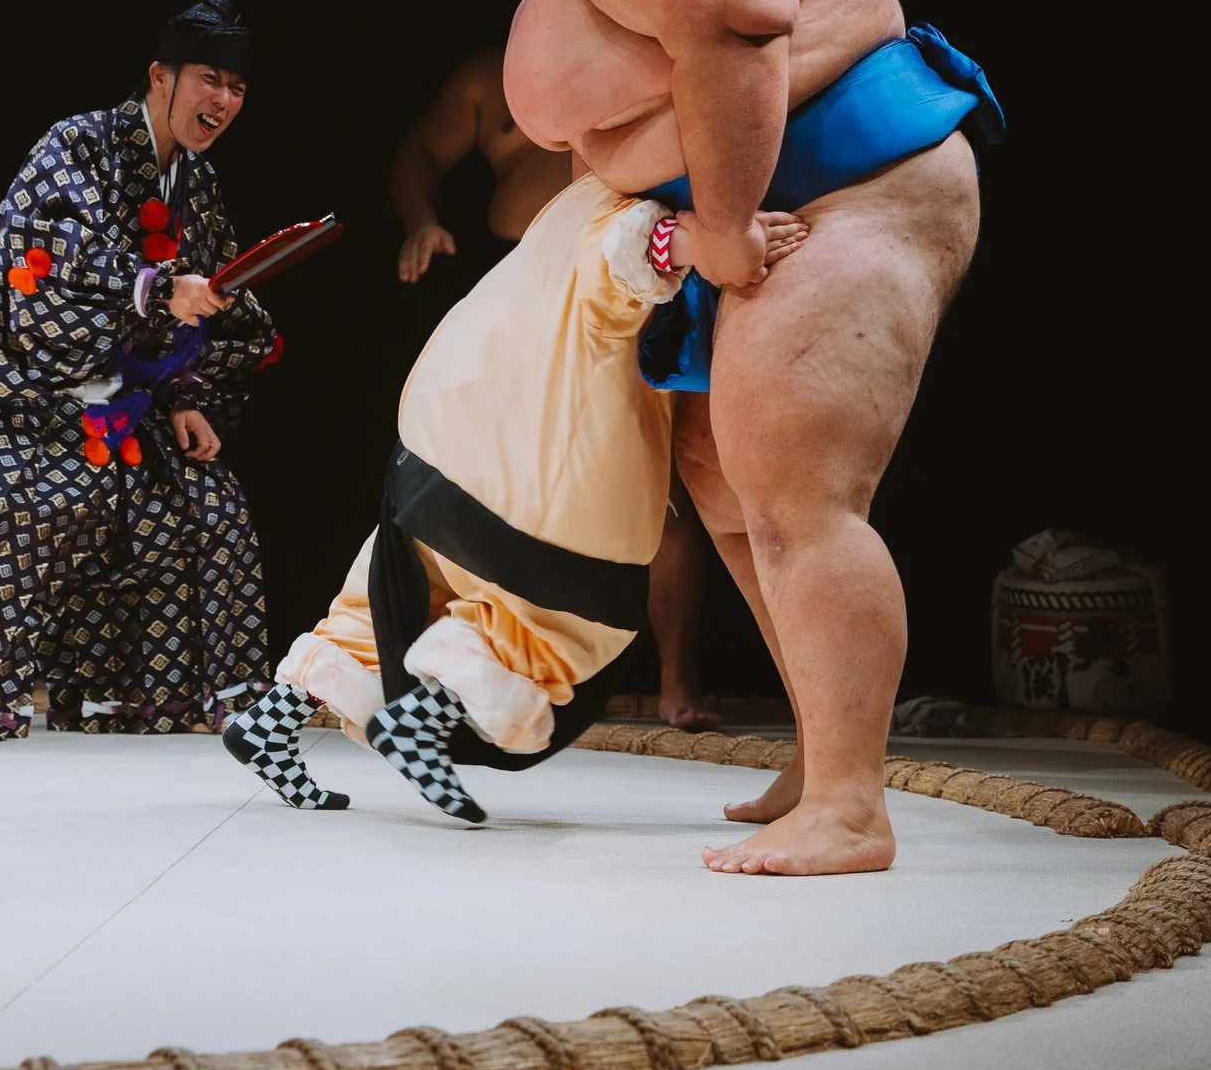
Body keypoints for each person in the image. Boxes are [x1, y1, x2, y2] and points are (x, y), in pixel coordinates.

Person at [382, 0, 1003, 874]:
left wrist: (716, 228)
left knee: (795, 492)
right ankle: (820, 757)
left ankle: (854, 808)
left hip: (842, 184)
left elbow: (737, 25)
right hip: (750, 207)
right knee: (722, 487)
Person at [225, 167, 804, 820]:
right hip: (523, 467)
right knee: (567, 617)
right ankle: (424, 717)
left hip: (438, 433)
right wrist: (729, 241)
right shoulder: (626, 208)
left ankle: (271, 723)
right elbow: (637, 246)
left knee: (401, 589)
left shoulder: (571, 195)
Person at [0, 0, 279, 746]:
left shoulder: (197, 183)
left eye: (238, 88)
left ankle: (124, 696)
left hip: (121, 402)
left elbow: (199, 296)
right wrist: (152, 286)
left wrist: (181, 392)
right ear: (161, 75)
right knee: (26, 497)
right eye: (210, 79)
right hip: (24, 384)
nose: (223, 100)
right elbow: (43, 258)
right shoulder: (75, 144)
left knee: (204, 506)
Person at [390, 0, 719, 730]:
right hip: (528, 288)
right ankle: (452, 660)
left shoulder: (639, 62)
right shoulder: (490, 78)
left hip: (634, 267)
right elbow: (416, 154)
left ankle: (676, 682)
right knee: (485, 484)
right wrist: (420, 221)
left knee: (659, 492)